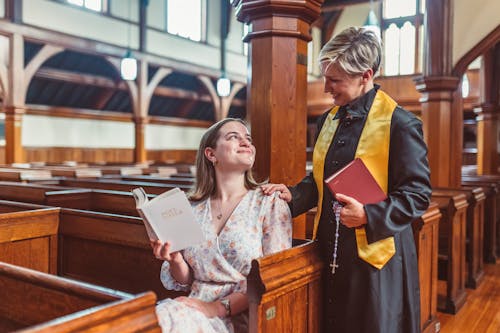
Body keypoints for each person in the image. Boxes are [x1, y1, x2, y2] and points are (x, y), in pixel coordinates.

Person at [262, 27, 431, 333]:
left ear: (365, 75)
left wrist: (369, 214)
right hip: (328, 245)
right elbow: (321, 181)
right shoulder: (329, 119)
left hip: (374, 258)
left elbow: (417, 195)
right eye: (326, 76)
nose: (326, 87)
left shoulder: (399, 124)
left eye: (335, 79)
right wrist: (292, 194)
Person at [151, 118, 293, 333]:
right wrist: (175, 259)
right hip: (192, 309)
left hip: (247, 316)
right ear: (211, 154)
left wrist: (215, 308)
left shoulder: (270, 202)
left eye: (248, 139)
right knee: (156, 319)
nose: (246, 143)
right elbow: (186, 280)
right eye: (233, 137)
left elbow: (274, 278)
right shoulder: (191, 208)